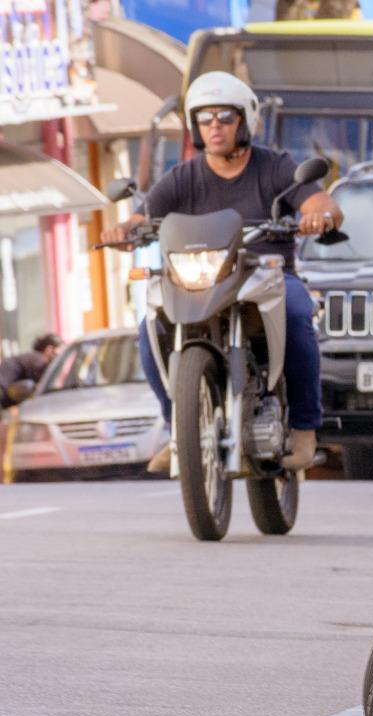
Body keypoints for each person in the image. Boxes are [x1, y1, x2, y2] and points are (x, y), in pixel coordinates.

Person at [100, 71, 343, 473]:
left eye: (225, 117)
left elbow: (323, 203)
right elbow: (141, 217)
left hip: (265, 273)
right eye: (205, 118)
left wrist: (319, 215)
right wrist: (122, 231)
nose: (215, 126)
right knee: (149, 330)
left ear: (244, 120)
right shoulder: (182, 177)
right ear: (195, 126)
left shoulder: (275, 167)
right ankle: (178, 427)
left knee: (299, 314)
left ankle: (304, 428)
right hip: (198, 279)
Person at [0, 333, 62, 407]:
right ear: (49, 350)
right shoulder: (38, 361)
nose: (61, 354)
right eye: (60, 350)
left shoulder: (33, 357)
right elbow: (41, 389)